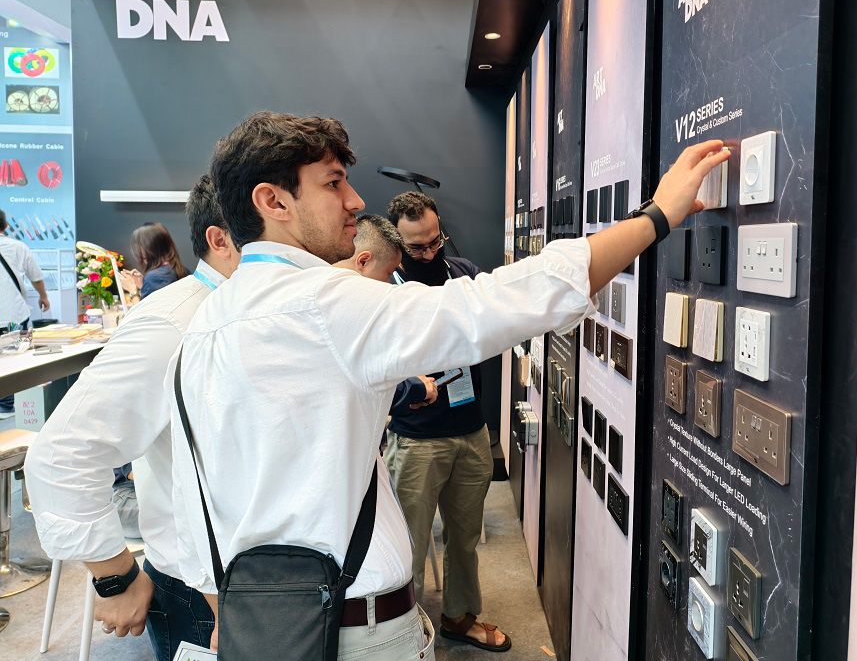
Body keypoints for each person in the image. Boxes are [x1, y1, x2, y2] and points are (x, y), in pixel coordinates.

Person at [166, 110, 727, 658]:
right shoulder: (322, 305)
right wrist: (656, 218)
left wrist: (224, 612)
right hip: (357, 632)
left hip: (263, 627)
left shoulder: (202, 327)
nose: (355, 201)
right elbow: (492, 305)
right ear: (273, 201)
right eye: (333, 183)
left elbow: (190, 494)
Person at [25, 175, 240, 661]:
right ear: (223, 237)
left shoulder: (233, 312)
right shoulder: (176, 321)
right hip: (200, 592)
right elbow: (62, 455)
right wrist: (116, 578)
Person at [382, 190, 508, 651]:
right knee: (409, 547)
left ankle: (459, 617)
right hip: (417, 440)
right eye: (417, 247)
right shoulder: (384, 286)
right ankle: (405, 636)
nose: (430, 253)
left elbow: (491, 326)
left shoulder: (463, 272)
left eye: (436, 241)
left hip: (471, 431)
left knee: (465, 538)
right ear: (397, 242)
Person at [334, 215, 439, 412]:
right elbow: (358, 380)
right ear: (364, 261)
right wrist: (414, 388)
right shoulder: (339, 310)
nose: (388, 283)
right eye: (389, 273)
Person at [0, 208, 50, 413]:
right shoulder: (18, 247)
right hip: (15, 314)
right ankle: (7, 405)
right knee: (15, 359)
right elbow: (35, 276)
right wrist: (43, 296)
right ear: (5, 225)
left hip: (14, 312)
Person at [128, 222, 188, 297]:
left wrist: (132, 290)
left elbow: (148, 305)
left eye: (140, 245)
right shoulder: (181, 270)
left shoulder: (155, 277)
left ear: (148, 247)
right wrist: (144, 286)